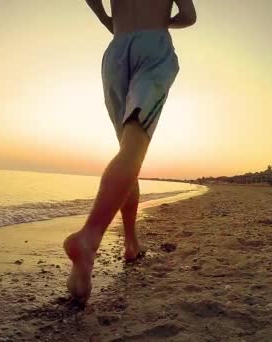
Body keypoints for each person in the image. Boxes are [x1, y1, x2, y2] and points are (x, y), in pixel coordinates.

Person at [63, 0, 197, 304]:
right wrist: (166, 21)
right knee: (134, 147)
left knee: (127, 149)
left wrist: (108, 18)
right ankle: (89, 237)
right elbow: (189, 16)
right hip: (154, 44)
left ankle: (131, 243)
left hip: (116, 49)